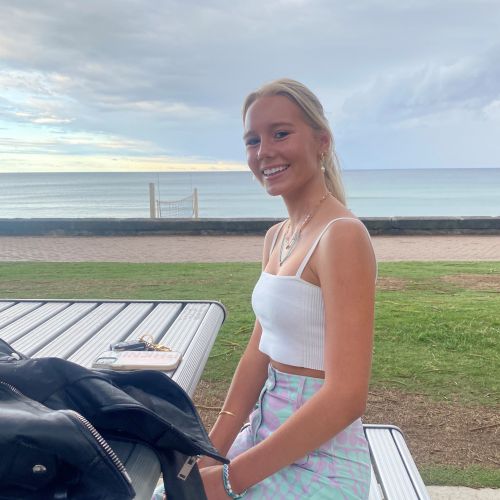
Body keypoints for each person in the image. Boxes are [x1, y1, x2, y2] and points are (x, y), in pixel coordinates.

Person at [200, 78, 377, 499]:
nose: (264, 152)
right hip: (263, 442)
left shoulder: (342, 235)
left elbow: (347, 396)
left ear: (322, 141)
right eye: (252, 139)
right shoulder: (276, 236)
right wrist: (208, 453)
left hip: (324, 463)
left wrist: (230, 479)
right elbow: (257, 353)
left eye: (280, 133)